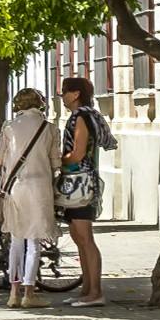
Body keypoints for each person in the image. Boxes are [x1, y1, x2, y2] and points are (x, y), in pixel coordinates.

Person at [55, 71, 115, 307]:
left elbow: (78, 152)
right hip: (78, 182)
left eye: (65, 91)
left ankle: (95, 291)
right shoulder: (85, 115)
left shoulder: (81, 117)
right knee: (79, 236)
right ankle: (87, 289)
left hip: (80, 182)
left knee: (85, 237)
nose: (62, 96)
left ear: (76, 94)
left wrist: (59, 161)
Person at [0, 86, 58, 308]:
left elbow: (0, 159)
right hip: (40, 187)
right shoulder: (49, 128)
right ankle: (29, 293)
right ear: (39, 104)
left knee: (16, 240)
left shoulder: (9, 127)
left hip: (15, 187)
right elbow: (55, 162)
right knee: (34, 241)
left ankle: (13, 293)